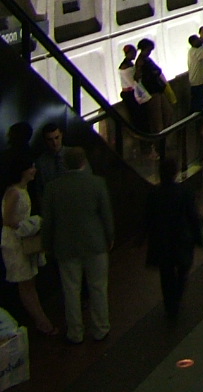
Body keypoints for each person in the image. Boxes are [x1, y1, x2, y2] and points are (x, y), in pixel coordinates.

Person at [43, 146, 113, 343]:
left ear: (64, 163)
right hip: (95, 243)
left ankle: (75, 333)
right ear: (84, 162)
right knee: (98, 287)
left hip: (65, 246)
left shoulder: (52, 187)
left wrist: (47, 245)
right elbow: (106, 216)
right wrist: (110, 237)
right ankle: (100, 328)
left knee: (71, 290)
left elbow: (48, 222)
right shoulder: (97, 183)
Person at [1, 150, 57, 335]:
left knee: (28, 283)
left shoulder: (21, 191)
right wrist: (29, 225)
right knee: (26, 284)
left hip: (21, 241)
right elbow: (7, 219)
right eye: (31, 167)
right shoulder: (15, 193)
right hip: (15, 244)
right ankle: (42, 322)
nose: (34, 170)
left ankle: (41, 321)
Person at [145, 157, 201, 320]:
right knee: (183, 269)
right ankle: (176, 298)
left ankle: (170, 305)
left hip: (162, 240)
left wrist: (142, 237)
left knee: (166, 273)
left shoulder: (154, 194)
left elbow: (148, 218)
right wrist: (198, 236)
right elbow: (193, 216)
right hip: (182, 239)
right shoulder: (185, 192)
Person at [32, 122, 67, 208]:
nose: (54, 143)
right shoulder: (40, 163)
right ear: (45, 140)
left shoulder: (74, 156)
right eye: (50, 140)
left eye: (56, 138)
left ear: (61, 135)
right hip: (52, 207)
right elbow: (39, 191)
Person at [186, 34, 203, 115]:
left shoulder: (193, 51)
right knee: (197, 105)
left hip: (197, 81)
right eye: (197, 40)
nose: (199, 40)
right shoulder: (195, 52)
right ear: (193, 42)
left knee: (199, 102)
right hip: (197, 82)